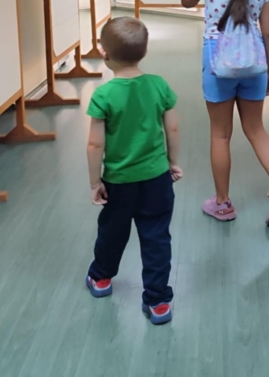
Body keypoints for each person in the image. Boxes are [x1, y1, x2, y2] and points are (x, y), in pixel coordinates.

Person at [84, 17, 181, 326]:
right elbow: (172, 128)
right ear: (145, 50)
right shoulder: (158, 85)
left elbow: (94, 144)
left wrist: (94, 182)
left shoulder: (104, 95)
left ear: (104, 54)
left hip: (119, 183)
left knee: (112, 232)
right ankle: (158, 301)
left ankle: (101, 278)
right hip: (156, 179)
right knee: (156, 238)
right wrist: (172, 162)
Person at [180, 0, 269, 223]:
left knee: (220, 135)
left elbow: (185, 0)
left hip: (217, 60)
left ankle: (222, 203)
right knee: (256, 130)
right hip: (254, 61)